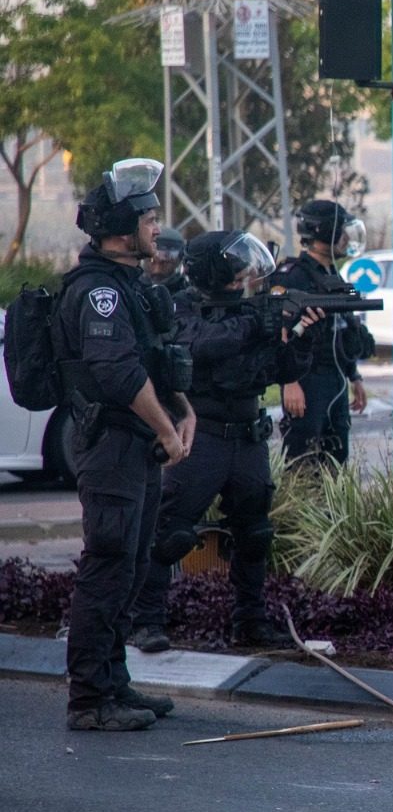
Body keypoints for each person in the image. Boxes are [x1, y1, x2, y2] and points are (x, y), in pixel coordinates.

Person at [127, 231, 323, 653]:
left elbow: (276, 367)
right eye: (235, 269)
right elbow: (205, 345)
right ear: (215, 271)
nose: (242, 276)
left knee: (254, 533)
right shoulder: (179, 306)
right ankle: (146, 621)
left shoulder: (251, 311)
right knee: (171, 533)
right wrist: (257, 320)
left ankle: (250, 621)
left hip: (247, 436)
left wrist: (301, 336)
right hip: (204, 436)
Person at [54, 158, 195, 731]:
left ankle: (116, 682)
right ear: (121, 230)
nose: (158, 229)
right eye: (151, 219)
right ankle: (89, 700)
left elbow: (157, 363)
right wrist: (165, 428)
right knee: (109, 566)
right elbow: (115, 373)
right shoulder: (98, 294)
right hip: (110, 445)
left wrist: (184, 413)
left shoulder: (128, 286)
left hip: (136, 448)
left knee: (132, 566)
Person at [271, 200, 373, 469]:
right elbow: (279, 334)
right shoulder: (291, 276)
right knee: (301, 461)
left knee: (336, 462)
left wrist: (354, 376)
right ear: (324, 233)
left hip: (335, 381)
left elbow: (342, 331)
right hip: (307, 380)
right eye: (340, 232)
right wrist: (289, 382)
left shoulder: (334, 276)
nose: (345, 239)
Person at [144, 226, 187, 291]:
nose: (157, 270)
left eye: (165, 263)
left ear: (178, 262)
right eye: (152, 262)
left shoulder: (186, 294)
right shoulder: (132, 290)